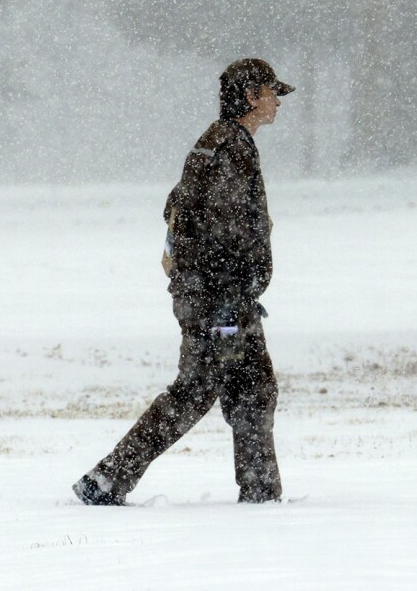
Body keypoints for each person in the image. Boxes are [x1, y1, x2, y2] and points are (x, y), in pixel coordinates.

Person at [73, 58, 293, 505]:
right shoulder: (229, 149)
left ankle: (260, 492)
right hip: (221, 302)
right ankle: (109, 479)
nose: (276, 101)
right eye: (271, 92)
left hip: (214, 297)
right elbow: (223, 228)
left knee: (244, 385)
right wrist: (228, 299)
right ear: (251, 96)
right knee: (207, 388)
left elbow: (178, 210)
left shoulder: (217, 145)